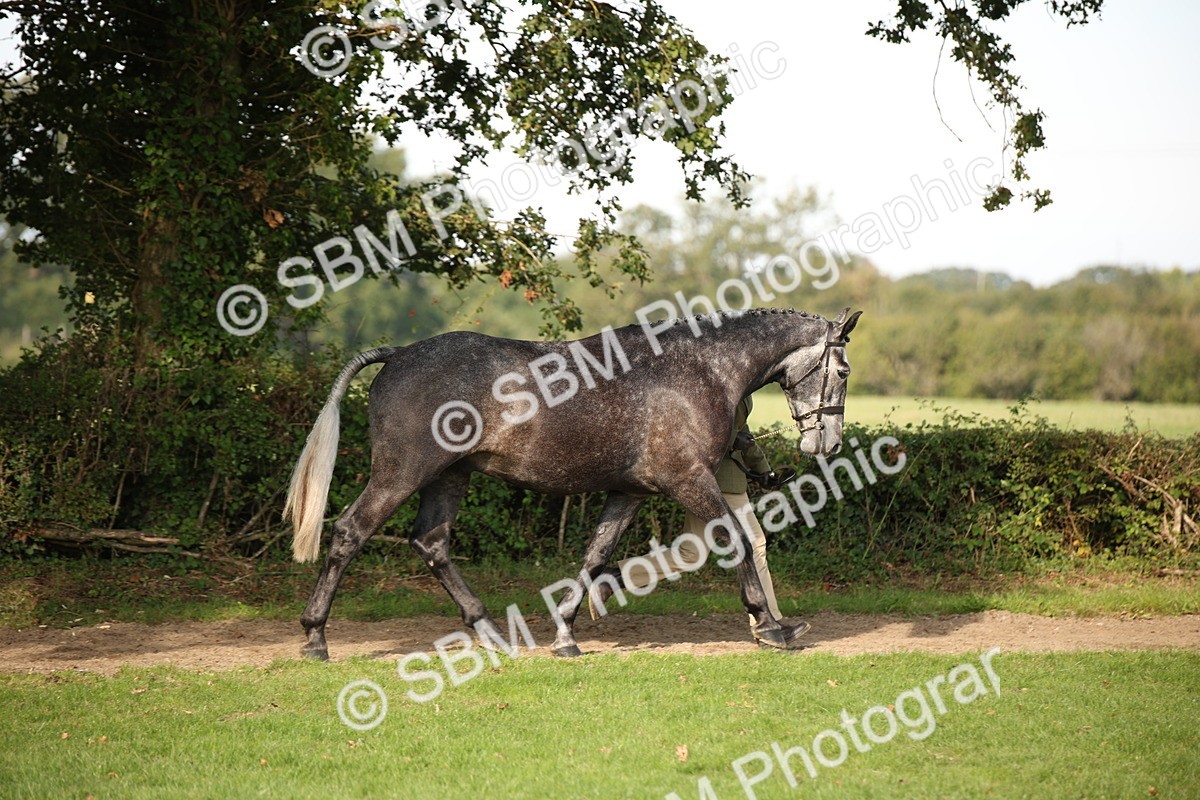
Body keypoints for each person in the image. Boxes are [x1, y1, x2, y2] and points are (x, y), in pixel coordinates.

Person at [588, 395, 800, 641]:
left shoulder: (743, 385)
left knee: (690, 554)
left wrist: (764, 471)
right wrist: (733, 440)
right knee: (755, 545)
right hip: (719, 482)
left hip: (720, 482)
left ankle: (613, 579)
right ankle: (769, 624)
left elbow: (744, 432)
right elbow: (701, 424)